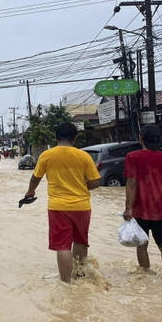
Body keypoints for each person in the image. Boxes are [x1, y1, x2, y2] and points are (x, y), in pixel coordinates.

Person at [23, 122, 101, 284]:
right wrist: (80, 186)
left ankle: (66, 283)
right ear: (75, 138)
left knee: (63, 245)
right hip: (82, 206)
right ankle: (79, 275)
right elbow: (95, 183)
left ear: (55, 137)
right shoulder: (84, 156)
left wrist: (30, 191)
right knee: (80, 241)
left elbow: (35, 177)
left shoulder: (47, 155)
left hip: (58, 207)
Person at [123, 124, 162, 270]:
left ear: (140, 138)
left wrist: (128, 208)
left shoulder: (132, 157)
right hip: (161, 210)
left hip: (140, 209)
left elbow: (132, 183)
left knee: (141, 245)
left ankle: (145, 275)